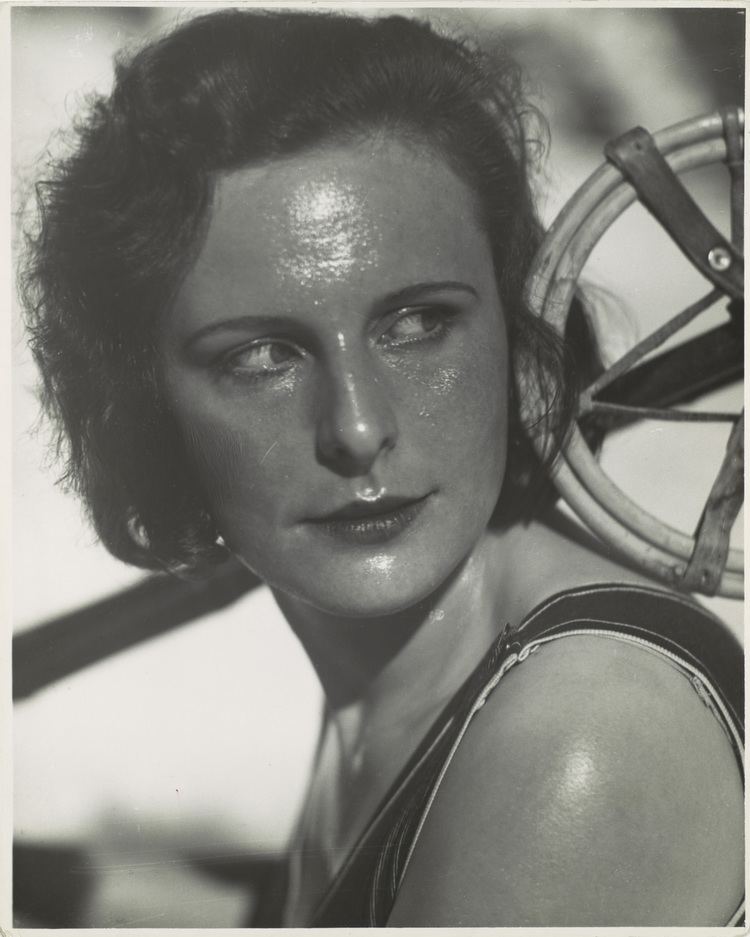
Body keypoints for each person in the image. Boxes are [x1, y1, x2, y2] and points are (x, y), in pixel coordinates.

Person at [19, 9, 743, 927]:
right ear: (145, 409)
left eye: (418, 324)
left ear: (521, 344)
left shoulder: (582, 736)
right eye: (263, 358)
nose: (359, 430)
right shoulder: (412, 669)